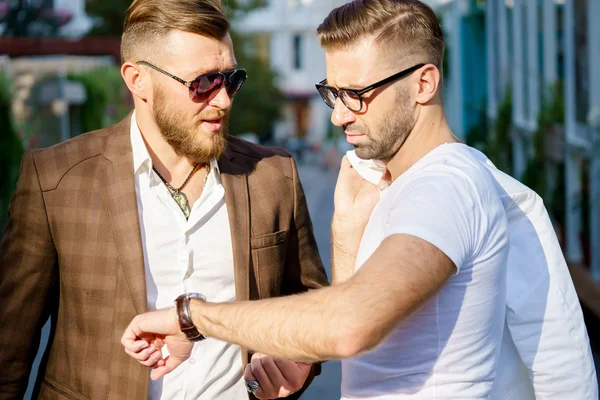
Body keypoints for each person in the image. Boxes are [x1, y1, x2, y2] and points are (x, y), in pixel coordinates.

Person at [123, 1, 515, 398]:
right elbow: (361, 330)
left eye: (356, 94)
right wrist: (346, 235)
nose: (338, 116)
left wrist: (192, 316)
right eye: (332, 94)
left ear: (423, 84)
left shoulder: (445, 187)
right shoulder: (404, 184)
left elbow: (348, 324)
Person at [0, 0, 329, 399]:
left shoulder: (272, 174)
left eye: (231, 78)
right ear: (137, 79)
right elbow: (10, 348)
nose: (223, 100)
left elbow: (311, 305)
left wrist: (301, 362)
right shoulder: (56, 178)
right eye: (203, 82)